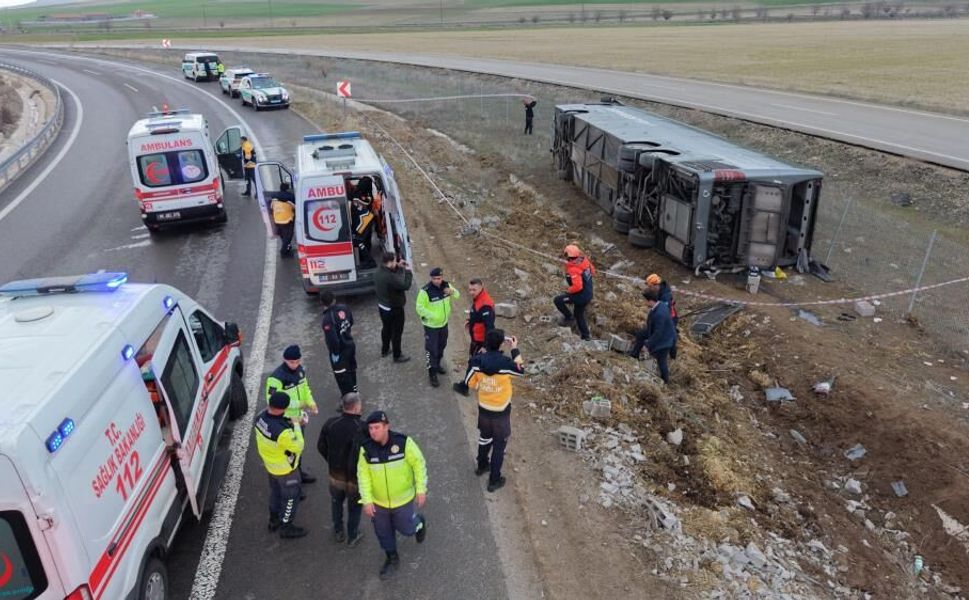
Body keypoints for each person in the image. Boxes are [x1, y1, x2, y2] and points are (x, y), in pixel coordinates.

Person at [357, 410, 428, 579]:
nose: (373, 431)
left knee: (408, 529)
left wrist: (421, 489)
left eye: (377, 427)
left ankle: (419, 523)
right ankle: (392, 557)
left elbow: (419, 464)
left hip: (402, 501)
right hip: (379, 503)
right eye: (371, 428)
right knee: (383, 533)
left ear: (386, 426)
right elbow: (363, 475)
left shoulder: (404, 443)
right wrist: (367, 500)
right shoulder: (366, 449)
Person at [462, 328, 525, 492]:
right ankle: (494, 480)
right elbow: (521, 370)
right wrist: (514, 349)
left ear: (486, 344)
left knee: (484, 438)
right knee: (499, 446)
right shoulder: (506, 364)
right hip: (501, 413)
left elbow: (469, 382)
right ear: (500, 345)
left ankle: (481, 465)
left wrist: (480, 386)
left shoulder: (477, 361)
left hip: (484, 410)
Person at [255, 391, 308, 539]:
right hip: (286, 471)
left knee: (275, 494)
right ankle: (287, 526)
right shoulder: (283, 432)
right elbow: (298, 446)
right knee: (291, 498)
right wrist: (296, 424)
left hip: (271, 467)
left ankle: (273, 520)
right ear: (283, 408)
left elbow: (274, 426)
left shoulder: (260, 417)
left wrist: (286, 421)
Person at [317, 392, 366, 546]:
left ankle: (338, 531)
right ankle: (353, 535)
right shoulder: (363, 428)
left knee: (336, 502)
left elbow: (321, 446)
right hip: (355, 479)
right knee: (355, 507)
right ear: (357, 407)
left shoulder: (330, 423)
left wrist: (332, 461)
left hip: (335, 475)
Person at [266, 345, 319, 483]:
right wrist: (298, 406)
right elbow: (272, 401)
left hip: (298, 418)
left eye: (297, 361)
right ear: (284, 360)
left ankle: (299, 474)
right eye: (291, 362)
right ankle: (292, 481)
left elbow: (305, 388)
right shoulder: (276, 378)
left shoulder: (301, 371)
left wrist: (311, 403)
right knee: (289, 452)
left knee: (298, 448)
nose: (295, 365)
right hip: (285, 420)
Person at [416, 267, 460, 388]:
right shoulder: (425, 291)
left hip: (443, 324)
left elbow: (458, 295)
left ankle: (438, 364)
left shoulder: (446, 286)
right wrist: (433, 316)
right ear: (431, 278)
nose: (437, 281)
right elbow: (419, 308)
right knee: (432, 350)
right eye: (435, 278)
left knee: (442, 345)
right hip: (431, 326)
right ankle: (432, 374)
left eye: (439, 278)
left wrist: (452, 292)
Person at [452, 278, 495, 396]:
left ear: (481, 287)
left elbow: (489, 326)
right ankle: (482, 384)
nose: (471, 292)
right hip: (477, 339)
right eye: (470, 289)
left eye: (474, 290)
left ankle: (464, 386)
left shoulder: (485, 304)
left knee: (473, 363)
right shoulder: (479, 298)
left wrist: (486, 346)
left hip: (481, 341)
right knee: (480, 364)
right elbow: (478, 316)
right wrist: (470, 321)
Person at [628, 289, 678, 384]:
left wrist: (647, 345)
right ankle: (634, 355)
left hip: (665, 339)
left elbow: (658, 333)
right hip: (661, 333)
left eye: (646, 301)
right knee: (640, 334)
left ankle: (665, 381)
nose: (645, 303)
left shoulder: (659, 313)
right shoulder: (660, 306)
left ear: (650, 301)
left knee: (661, 361)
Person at [373, 252, 413, 363]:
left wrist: (398, 267)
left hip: (382, 307)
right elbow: (405, 285)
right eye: (395, 261)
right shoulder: (389, 277)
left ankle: (385, 349)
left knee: (386, 328)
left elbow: (391, 276)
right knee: (397, 332)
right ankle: (397, 355)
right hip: (394, 308)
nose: (396, 262)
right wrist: (408, 271)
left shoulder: (378, 272)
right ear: (390, 262)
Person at [553, 244, 595, 340]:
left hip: (581, 295)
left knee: (558, 300)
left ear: (568, 256)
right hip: (588, 293)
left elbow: (578, 286)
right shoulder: (584, 261)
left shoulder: (573, 269)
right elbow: (593, 271)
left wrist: (569, 290)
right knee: (579, 314)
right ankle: (586, 336)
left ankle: (568, 317)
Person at [321, 290, 357, 397]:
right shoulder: (344, 308)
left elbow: (333, 340)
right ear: (334, 299)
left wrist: (335, 352)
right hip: (350, 345)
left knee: (341, 375)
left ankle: (349, 399)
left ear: (322, 303)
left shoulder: (327, 319)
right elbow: (351, 322)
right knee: (351, 370)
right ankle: (354, 391)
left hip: (340, 351)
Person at [646, 273, 679, 359]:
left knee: (671, 335)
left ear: (656, 285)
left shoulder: (665, 296)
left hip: (671, 317)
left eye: (650, 286)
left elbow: (664, 311)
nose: (649, 288)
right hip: (666, 315)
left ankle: (672, 356)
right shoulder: (659, 291)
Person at [351, 176, 378, 269]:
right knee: (363, 241)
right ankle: (366, 259)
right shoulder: (366, 196)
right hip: (363, 221)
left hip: (363, 222)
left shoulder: (359, 196)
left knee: (358, 241)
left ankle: (370, 261)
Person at [270, 182, 296, 256]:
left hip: (277, 219)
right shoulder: (291, 197)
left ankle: (287, 247)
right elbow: (295, 207)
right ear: (287, 189)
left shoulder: (274, 196)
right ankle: (283, 252)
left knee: (283, 236)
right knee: (288, 236)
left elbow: (271, 208)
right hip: (287, 220)